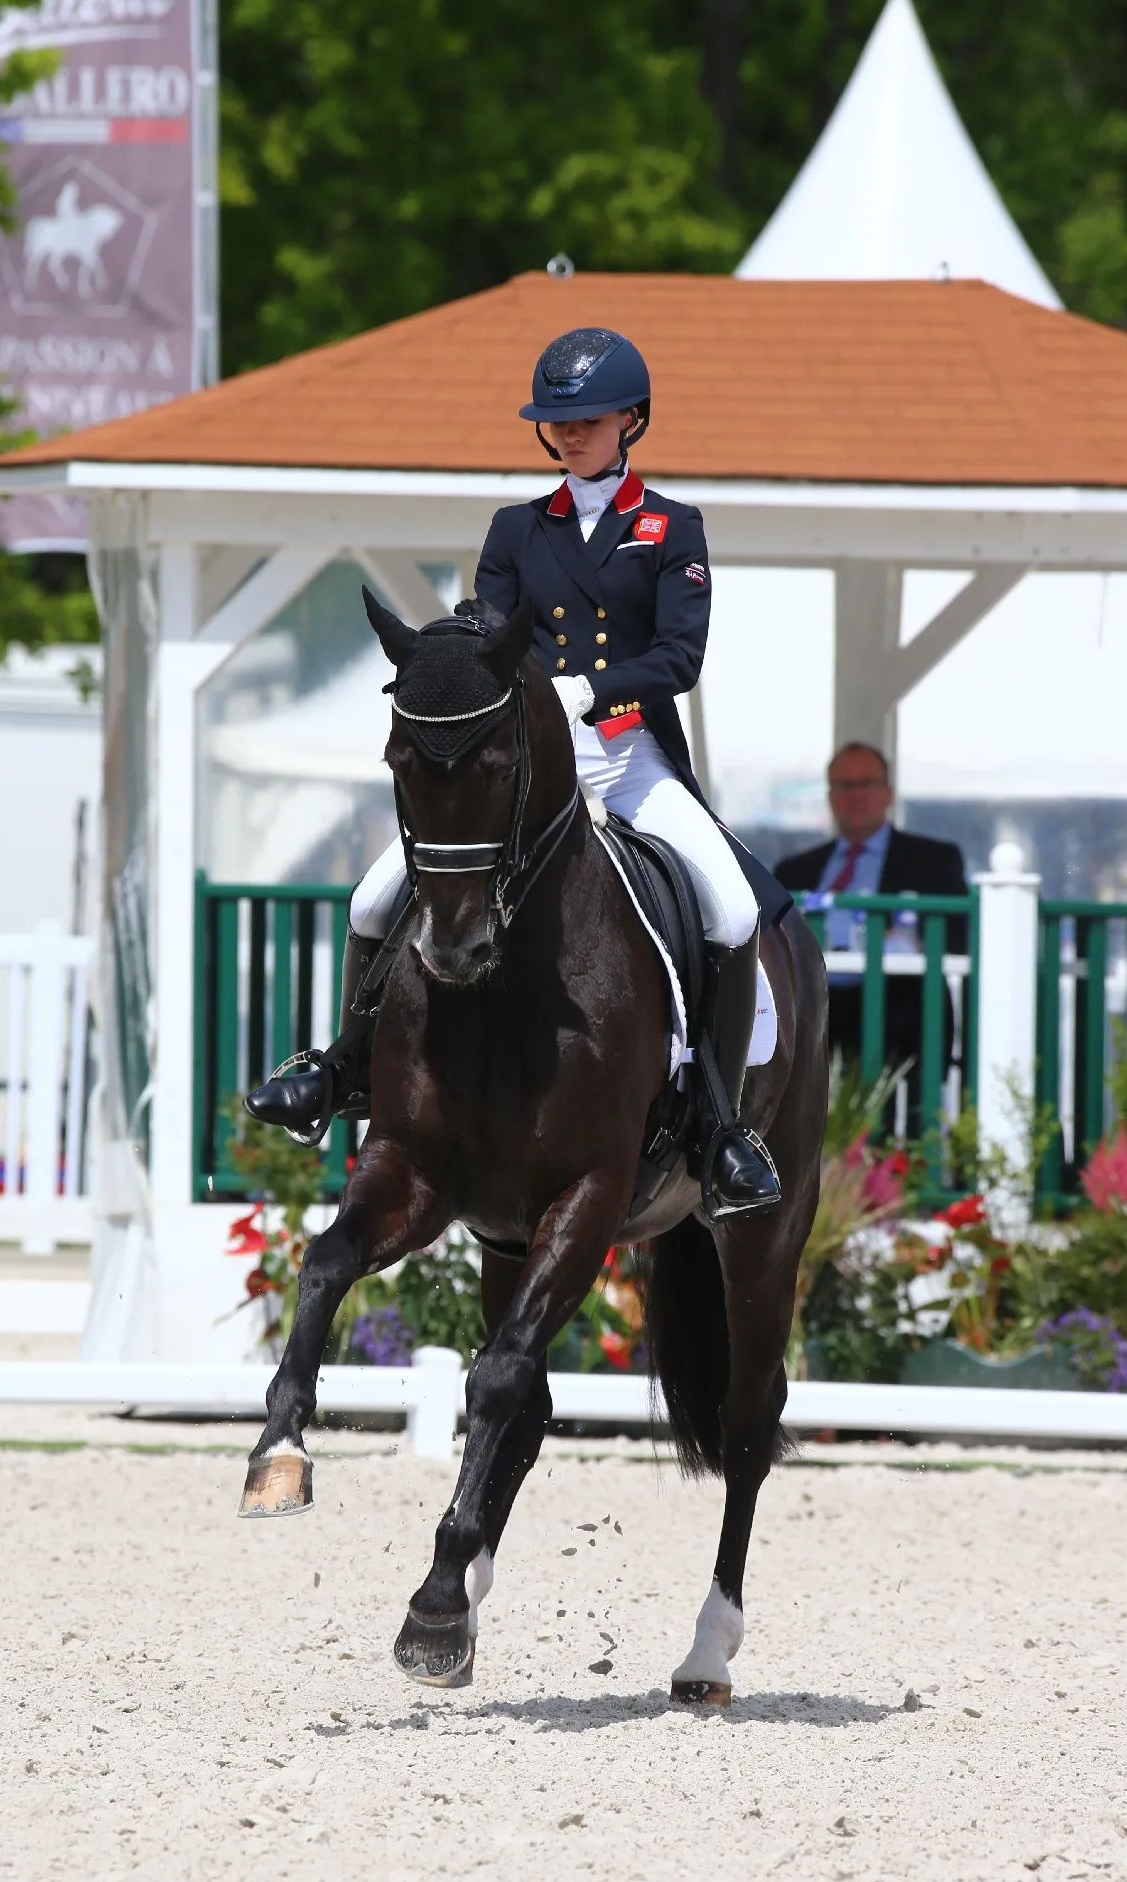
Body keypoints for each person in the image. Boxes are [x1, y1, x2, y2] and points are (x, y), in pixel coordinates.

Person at [247, 326, 780, 1216]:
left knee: (729, 908)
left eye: (587, 420)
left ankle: (718, 1127)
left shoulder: (670, 529)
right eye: (556, 422)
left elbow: (679, 658)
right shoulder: (515, 529)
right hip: (532, 766)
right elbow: (491, 641)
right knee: (372, 899)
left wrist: (590, 690)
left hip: (628, 757)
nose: (569, 435)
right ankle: (341, 1071)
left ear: (630, 421)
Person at [774, 742, 968, 1113]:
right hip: (816, 1024)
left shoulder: (935, 860)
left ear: (888, 793)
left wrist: (911, 942)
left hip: (899, 1021)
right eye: (844, 786)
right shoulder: (795, 871)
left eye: (866, 784)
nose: (855, 796)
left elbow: (958, 936)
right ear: (830, 796)